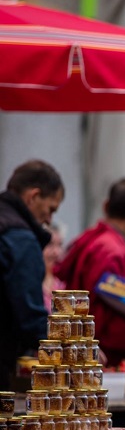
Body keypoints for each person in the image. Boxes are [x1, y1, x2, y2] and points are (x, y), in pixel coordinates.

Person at [55, 177, 125, 367]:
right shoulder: (115, 254)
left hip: (74, 347)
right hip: (102, 358)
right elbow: (114, 315)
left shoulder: (86, 241)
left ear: (105, 206)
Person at [0, 159, 64, 389]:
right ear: (33, 196)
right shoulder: (20, 239)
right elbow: (30, 318)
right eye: (51, 209)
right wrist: (75, 346)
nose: (49, 220)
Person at [42, 222, 67, 314]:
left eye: (60, 245)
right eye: (50, 244)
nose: (57, 252)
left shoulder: (64, 282)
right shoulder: (30, 283)